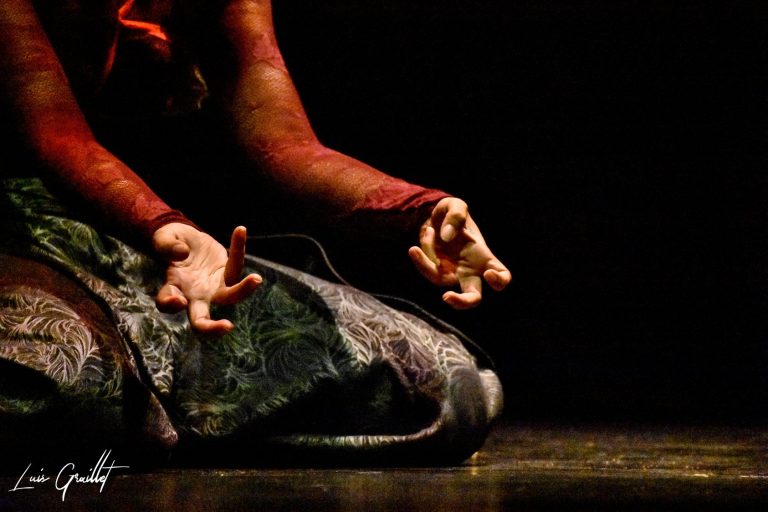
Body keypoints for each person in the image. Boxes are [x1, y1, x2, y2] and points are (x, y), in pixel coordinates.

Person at [0, 0, 510, 467]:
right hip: (21, 233)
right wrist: (160, 224)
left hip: (147, 245)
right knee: (63, 382)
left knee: (444, 389)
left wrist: (419, 209)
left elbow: (283, 145)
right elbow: (55, 134)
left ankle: (172, 413)